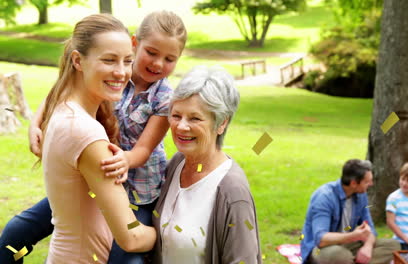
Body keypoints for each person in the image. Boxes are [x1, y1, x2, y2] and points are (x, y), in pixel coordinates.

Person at [0, 11, 186, 263]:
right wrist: (35, 123)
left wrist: (125, 159)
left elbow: (145, 149)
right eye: (151, 53)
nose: (158, 64)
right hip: (94, 176)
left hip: (137, 191)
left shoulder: (162, 97)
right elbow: (61, 90)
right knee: (15, 235)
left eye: (169, 59)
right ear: (135, 43)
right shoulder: (113, 76)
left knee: (124, 256)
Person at [151, 66, 262, 264]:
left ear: (221, 124)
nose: (181, 126)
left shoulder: (233, 192)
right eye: (176, 115)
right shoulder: (177, 163)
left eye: (195, 118)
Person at [300, 159, 400, 264]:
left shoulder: (361, 195)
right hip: (320, 249)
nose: (371, 184)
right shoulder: (324, 197)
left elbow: (370, 228)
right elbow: (321, 239)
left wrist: (368, 247)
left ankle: (353, 261)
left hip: (348, 244)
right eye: (367, 181)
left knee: (393, 245)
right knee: (340, 256)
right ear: (353, 183)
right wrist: (354, 236)